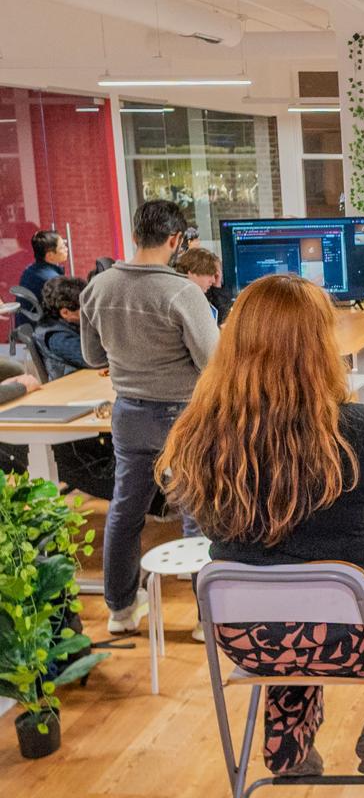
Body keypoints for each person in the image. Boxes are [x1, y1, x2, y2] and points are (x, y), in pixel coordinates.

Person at [156, 273, 364, 779]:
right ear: (318, 344)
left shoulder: (198, 433)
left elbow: (204, 520)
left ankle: (287, 743)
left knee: (288, 599)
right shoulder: (358, 427)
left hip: (247, 635)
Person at [80, 199, 220, 635]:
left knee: (125, 510)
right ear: (176, 240)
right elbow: (213, 361)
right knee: (195, 511)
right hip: (183, 416)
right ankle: (205, 621)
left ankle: (120, 610)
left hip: (128, 413)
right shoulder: (182, 293)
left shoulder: (98, 288)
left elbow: (91, 356)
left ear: (136, 233)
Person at [34, 276, 89, 380]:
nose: (90, 310)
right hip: (75, 386)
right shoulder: (56, 337)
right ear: (65, 312)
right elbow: (93, 359)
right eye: (84, 307)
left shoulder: (69, 322)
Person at [18, 230, 68, 316]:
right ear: (50, 255)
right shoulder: (52, 280)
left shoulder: (29, 270)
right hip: (41, 326)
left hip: (27, 326)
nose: (66, 249)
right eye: (62, 247)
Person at [173, 248, 223, 323]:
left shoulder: (199, 297)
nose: (213, 280)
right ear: (193, 272)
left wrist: (217, 286)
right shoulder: (180, 303)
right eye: (209, 274)